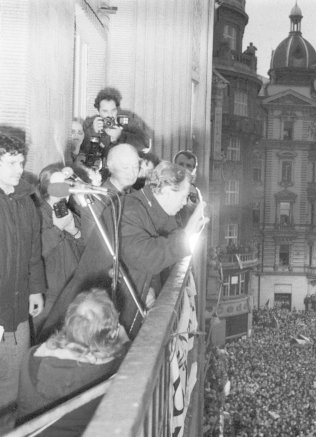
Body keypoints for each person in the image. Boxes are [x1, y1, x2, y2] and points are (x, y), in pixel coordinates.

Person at [41, 162, 208, 340]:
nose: (184, 202)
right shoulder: (129, 209)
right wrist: (187, 235)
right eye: (183, 196)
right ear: (167, 190)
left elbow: (165, 243)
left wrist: (150, 286)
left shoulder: (155, 210)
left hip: (106, 310)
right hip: (87, 315)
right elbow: (147, 256)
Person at [16, 288, 129, 435]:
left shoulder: (30, 358)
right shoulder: (111, 369)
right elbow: (134, 357)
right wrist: (125, 341)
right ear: (111, 333)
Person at [0, 129, 46, 430]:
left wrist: (35, 290)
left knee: (12, 388)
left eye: (21, 161)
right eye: (12, 162)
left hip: (16, 312)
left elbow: (32, 252)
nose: (21, 169)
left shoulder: (25, 200)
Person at [33, 164, 85, 334]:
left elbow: (87, 249)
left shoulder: (69, 211)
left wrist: (74, 232)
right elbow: (34, 253)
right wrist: (57, 229)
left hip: (73, 290)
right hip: (49, 296)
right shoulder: (36, 214)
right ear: (46, 187)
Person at [78, 143, 140, 240]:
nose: (132, 173)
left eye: (136, 166)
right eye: (125, 167)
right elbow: (93, 246)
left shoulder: (140, 196)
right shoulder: (96, 201)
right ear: (110, 166)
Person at [80, 87, 147, 160]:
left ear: (117, 110)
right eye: (105, 111)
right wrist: (93, 132)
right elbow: (84, 152)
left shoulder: (125, 121)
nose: (110, 115)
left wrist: (121, 135)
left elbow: (144, 143)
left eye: (113, 110)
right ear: (98, 111)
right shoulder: (90, 123)